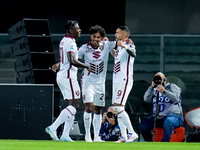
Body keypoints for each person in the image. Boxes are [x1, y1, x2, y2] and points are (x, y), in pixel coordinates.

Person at [45, 20, 91, 142]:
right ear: (71, 30)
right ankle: (53, 127)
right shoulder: (70, 42)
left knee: (72, 106)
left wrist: (60, 64)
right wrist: (86, 66)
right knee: (75, 105)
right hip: (68, 76)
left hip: (64, 75)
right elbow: (71, 60)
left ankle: (65, 135)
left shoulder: (64, 40)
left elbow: (67, 59)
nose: (80, 30)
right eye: (77, 28)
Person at [78, 25, 116, 142]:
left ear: (101, 38)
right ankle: (87, 135)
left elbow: (117, 51)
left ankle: (97, 136)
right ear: (91, 36)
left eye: (98, 37)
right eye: (93, 36)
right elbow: (74, 59)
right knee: (88, 107)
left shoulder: (106, 45)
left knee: (98, 109)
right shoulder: (84, 48)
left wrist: (127, 41)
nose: (95, 39)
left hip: (100, 83)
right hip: (88, 81)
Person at [111, 26, 138, 143]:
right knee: (118, 109)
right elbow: (116, 57)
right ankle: (123, 136)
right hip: (116, 80)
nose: (115, 35)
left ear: (124, 35)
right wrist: (110, 49)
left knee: (118, 107)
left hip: (124, 80)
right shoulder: (118, 47)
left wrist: (125, 46)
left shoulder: (130, 45)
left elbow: (133, 54)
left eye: (117, 33)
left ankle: (132, 132)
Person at [140, 72, 184, 142]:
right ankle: (149, 143)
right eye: (156, 78)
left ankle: (164, 143)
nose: (158, 80)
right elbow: (146, 99)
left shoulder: (172, 86)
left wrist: (164, 91)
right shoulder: (155, 90)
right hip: (158, 116)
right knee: (144, 126)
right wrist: (151, 87)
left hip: (174, 116)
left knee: (168, 122)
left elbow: (176, 98)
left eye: (159, 78)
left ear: (165, 79)